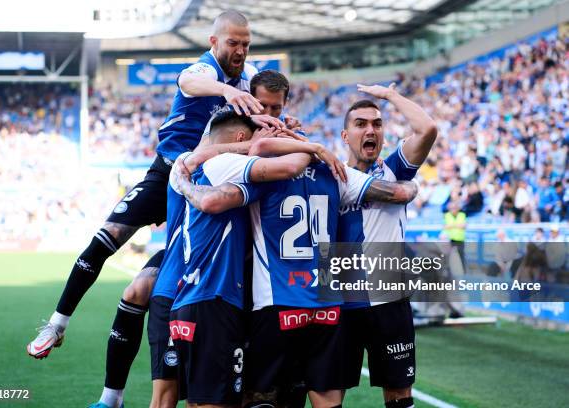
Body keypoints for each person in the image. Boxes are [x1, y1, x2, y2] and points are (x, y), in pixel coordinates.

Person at [26, 9, 278, 361]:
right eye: (233, 43)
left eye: (246, 44)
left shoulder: (249, 76)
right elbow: (188, 82)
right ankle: (57, 323)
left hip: (204, 182)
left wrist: (277, 118)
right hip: (167, 173)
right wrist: (225, 90)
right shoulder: (205, 69)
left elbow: (268, 98)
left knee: (147, 289)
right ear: (214, 41)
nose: (240, 51)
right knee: (108, 235)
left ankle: (120, 394)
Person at [172, 150, 418, 407]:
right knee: (328, 401)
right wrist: (412, 185)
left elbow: (214, 199)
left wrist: (183, 183)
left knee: (262, 398)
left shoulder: (264, 177)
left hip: (277, 301)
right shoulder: (334, 174)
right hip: (326, 304)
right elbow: (397, 193)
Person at [150, 111, 347, 408]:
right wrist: (309, 145)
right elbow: (288, 165)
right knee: (213, 403)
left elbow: (211, 198)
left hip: (190, 299)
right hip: (212, 301)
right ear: (242, 137)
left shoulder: (196, 166)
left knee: (196, 399)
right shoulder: (224, 164)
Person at [335, 83, 437, 408]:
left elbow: (428, 129)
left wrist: (391, 97)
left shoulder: (394, 168)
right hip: (340, 301)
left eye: (377, 124)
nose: (371, 130)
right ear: (344, 135)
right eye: (361, 124)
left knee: (399, 394)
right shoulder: (330, 178)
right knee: (328, 393)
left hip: (389, 300)